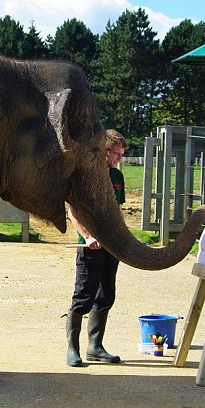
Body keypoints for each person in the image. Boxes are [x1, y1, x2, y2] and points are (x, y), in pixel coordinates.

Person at [66, 129, 128, 367]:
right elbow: (74, 211)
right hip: (90, 246)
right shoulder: (84, 175)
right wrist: (88, 236)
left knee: (105, 295)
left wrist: (124, 237)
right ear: (104, 151)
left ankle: (96, 346)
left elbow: (118, 210)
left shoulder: (116, 177)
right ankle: (73, 349)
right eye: (116, 154)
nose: (119, 160)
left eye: (121, 155)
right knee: (84, 295)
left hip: (111, 245)